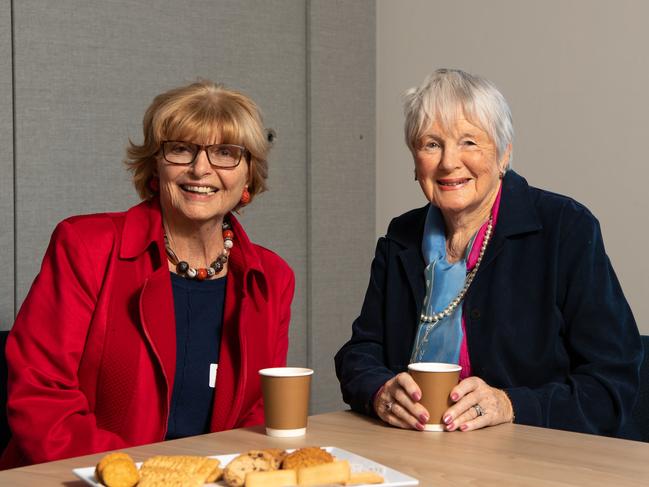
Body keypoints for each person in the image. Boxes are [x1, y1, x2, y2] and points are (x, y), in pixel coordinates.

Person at [0, 80, 295, 467]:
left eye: (226, 152)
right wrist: (137, 475)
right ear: (155, 165)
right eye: (181, 149)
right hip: (87, 476)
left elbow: (260, 409)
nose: (200, 169)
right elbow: (41, 395)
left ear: (247, 176)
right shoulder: (85, 246)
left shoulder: (272, 277)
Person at [335, 68, 642, 438]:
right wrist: (380, 392)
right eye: (431, 144)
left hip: (533, 458)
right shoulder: (401, 237)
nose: (449, 162)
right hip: (416, 451)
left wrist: (511, 404)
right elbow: (360, 353)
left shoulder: (566, 228)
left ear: (503, 154)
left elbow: (613, 386)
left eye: (469, 142)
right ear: (416, 162)